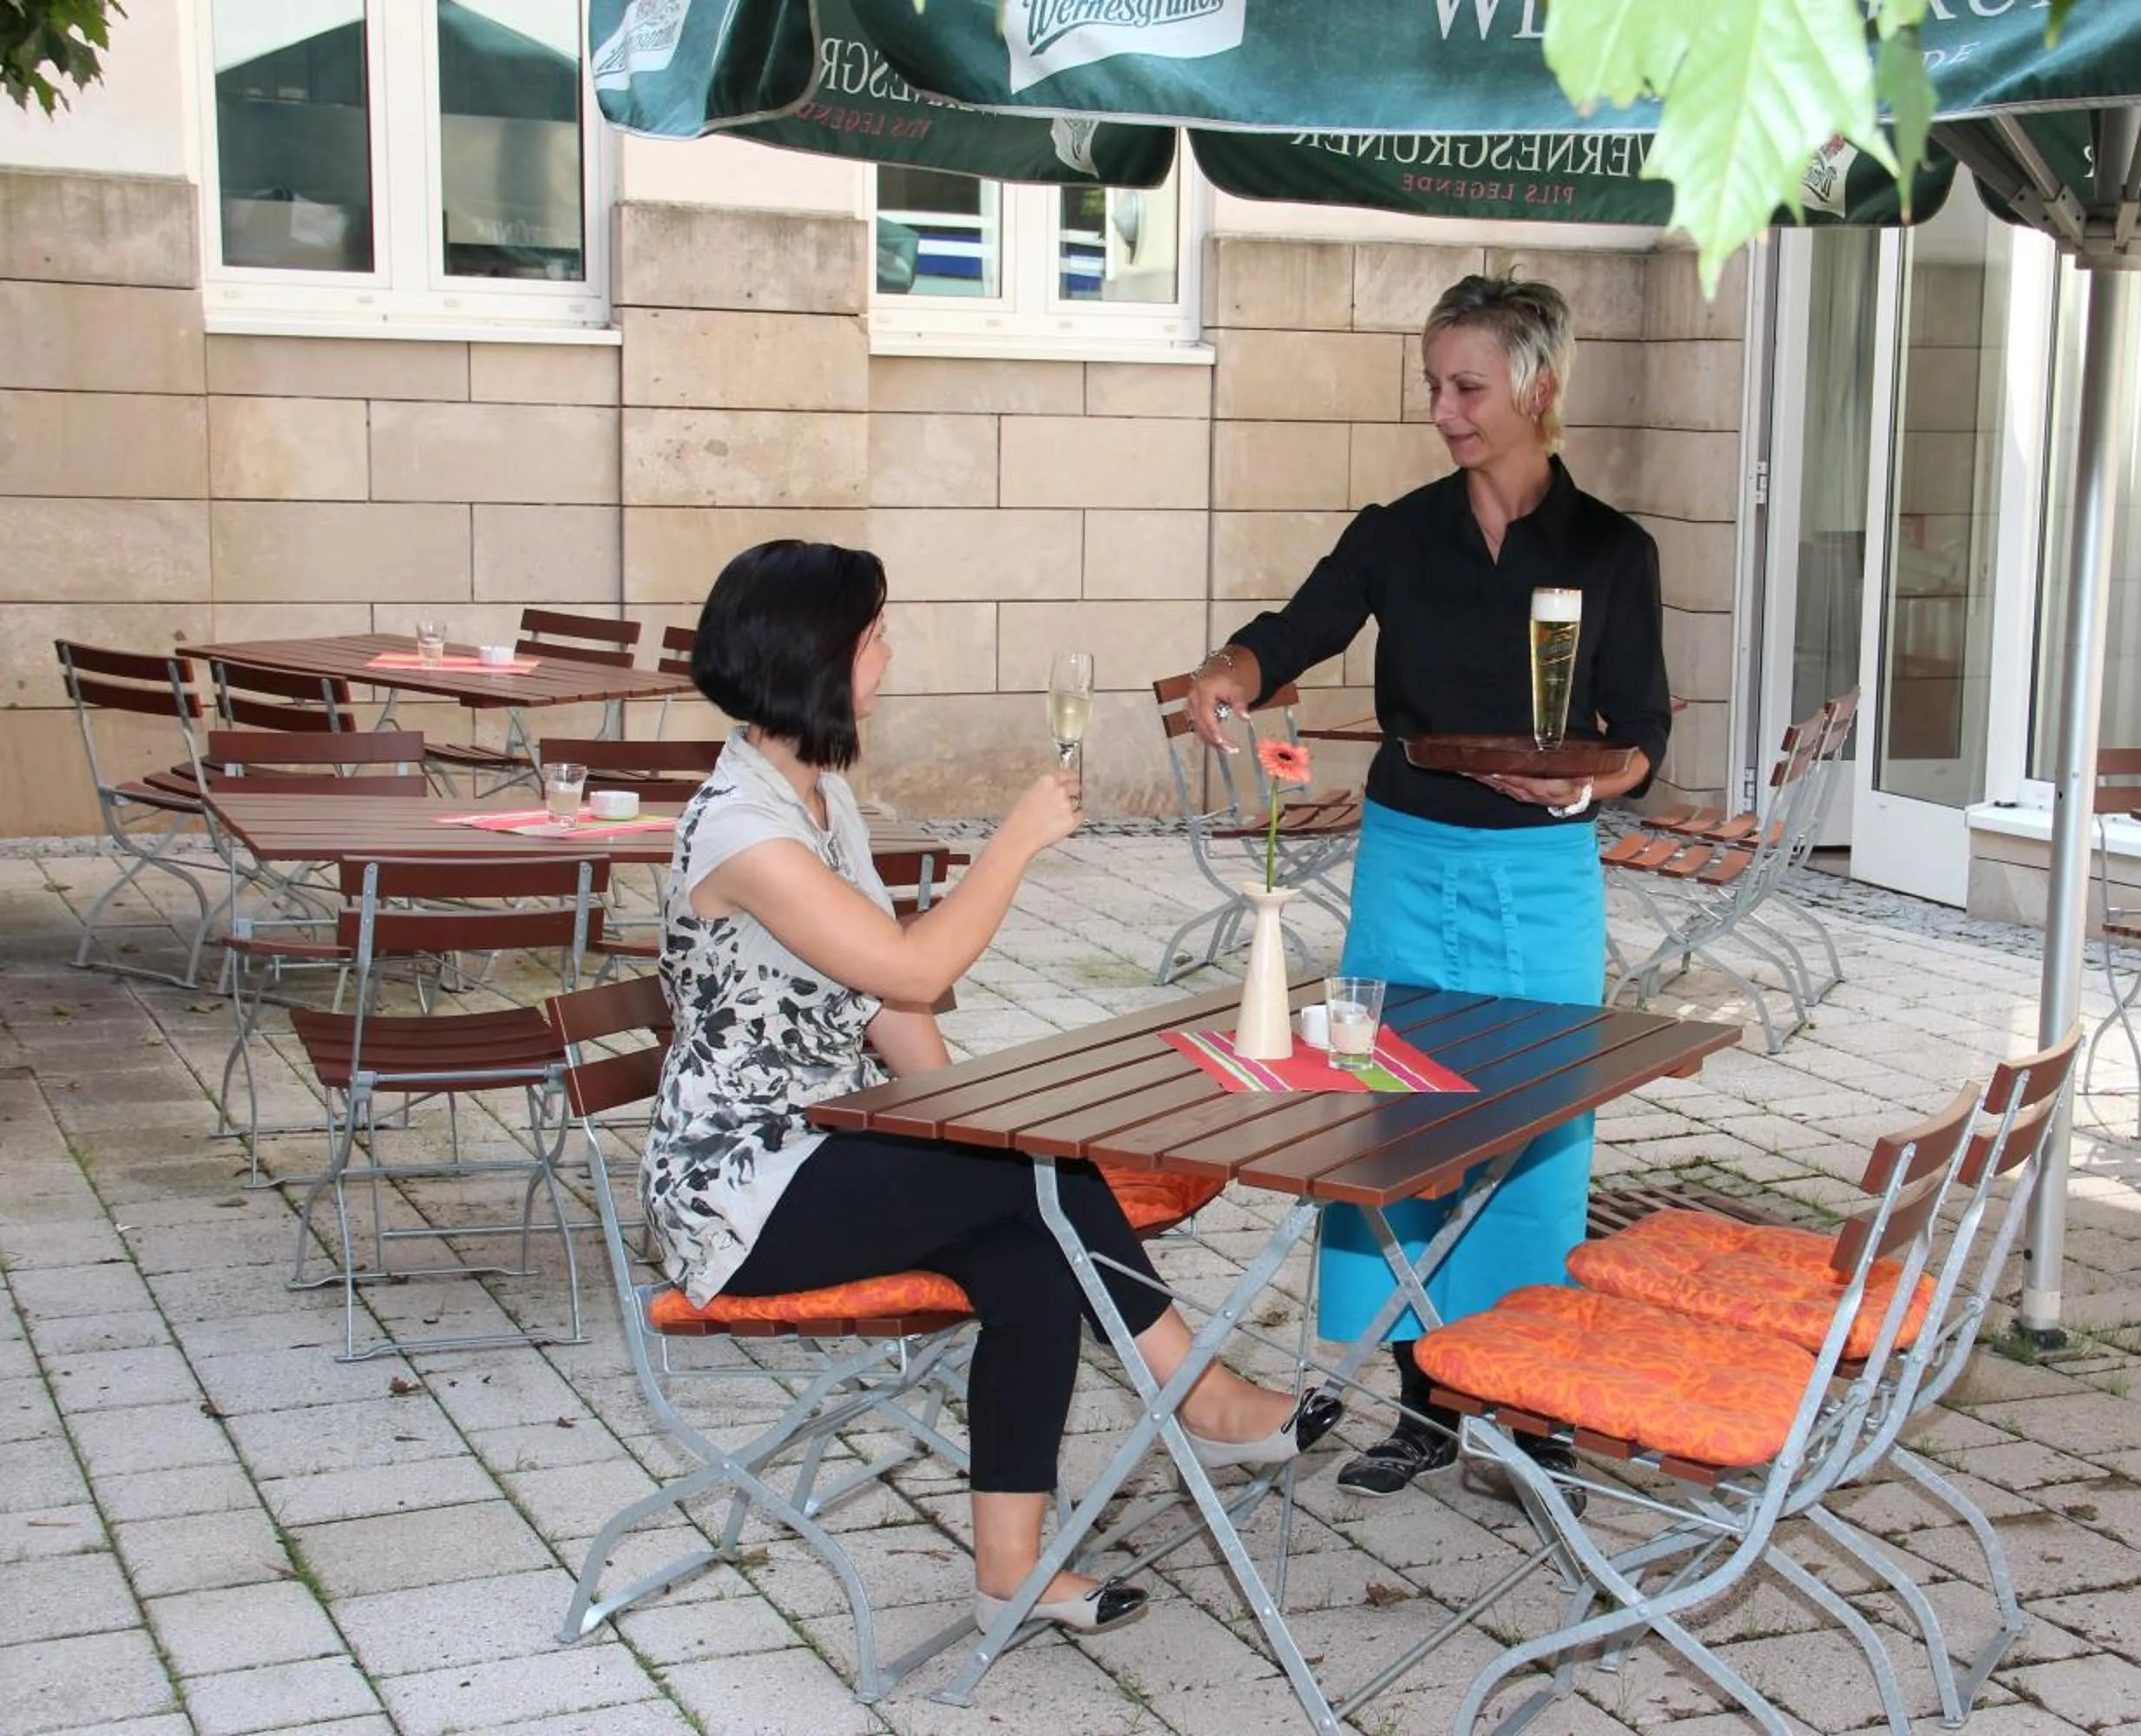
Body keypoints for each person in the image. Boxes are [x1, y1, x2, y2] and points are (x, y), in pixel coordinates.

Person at [642, 540, 1342, 1634]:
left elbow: (885, 1006)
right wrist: (1013, 842)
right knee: (1041, 1175)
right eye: (873, 635)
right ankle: (1200, 1396)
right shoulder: (744, 828)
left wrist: (977, 1120)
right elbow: (915, 970)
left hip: (826, 1141)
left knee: (1032, 1246)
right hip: (738, 1185)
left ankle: (1011, 1568)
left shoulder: (819, 799)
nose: (888, 653)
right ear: (815, 654)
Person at [1185, 274, 1671, 1497]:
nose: (1444, 411)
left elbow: (1644, 734)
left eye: (1468, 387)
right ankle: (1423, 1403)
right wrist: (1230, 670)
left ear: (1538, 387)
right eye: (1434, 385)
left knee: (1538, 1126)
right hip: (1409, 862)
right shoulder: (1396, 533)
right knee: (1396, 1120)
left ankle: (1529, 1406)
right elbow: (1294, 630)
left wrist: (1589, 780)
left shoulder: (1614, 550)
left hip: (1543, 874)